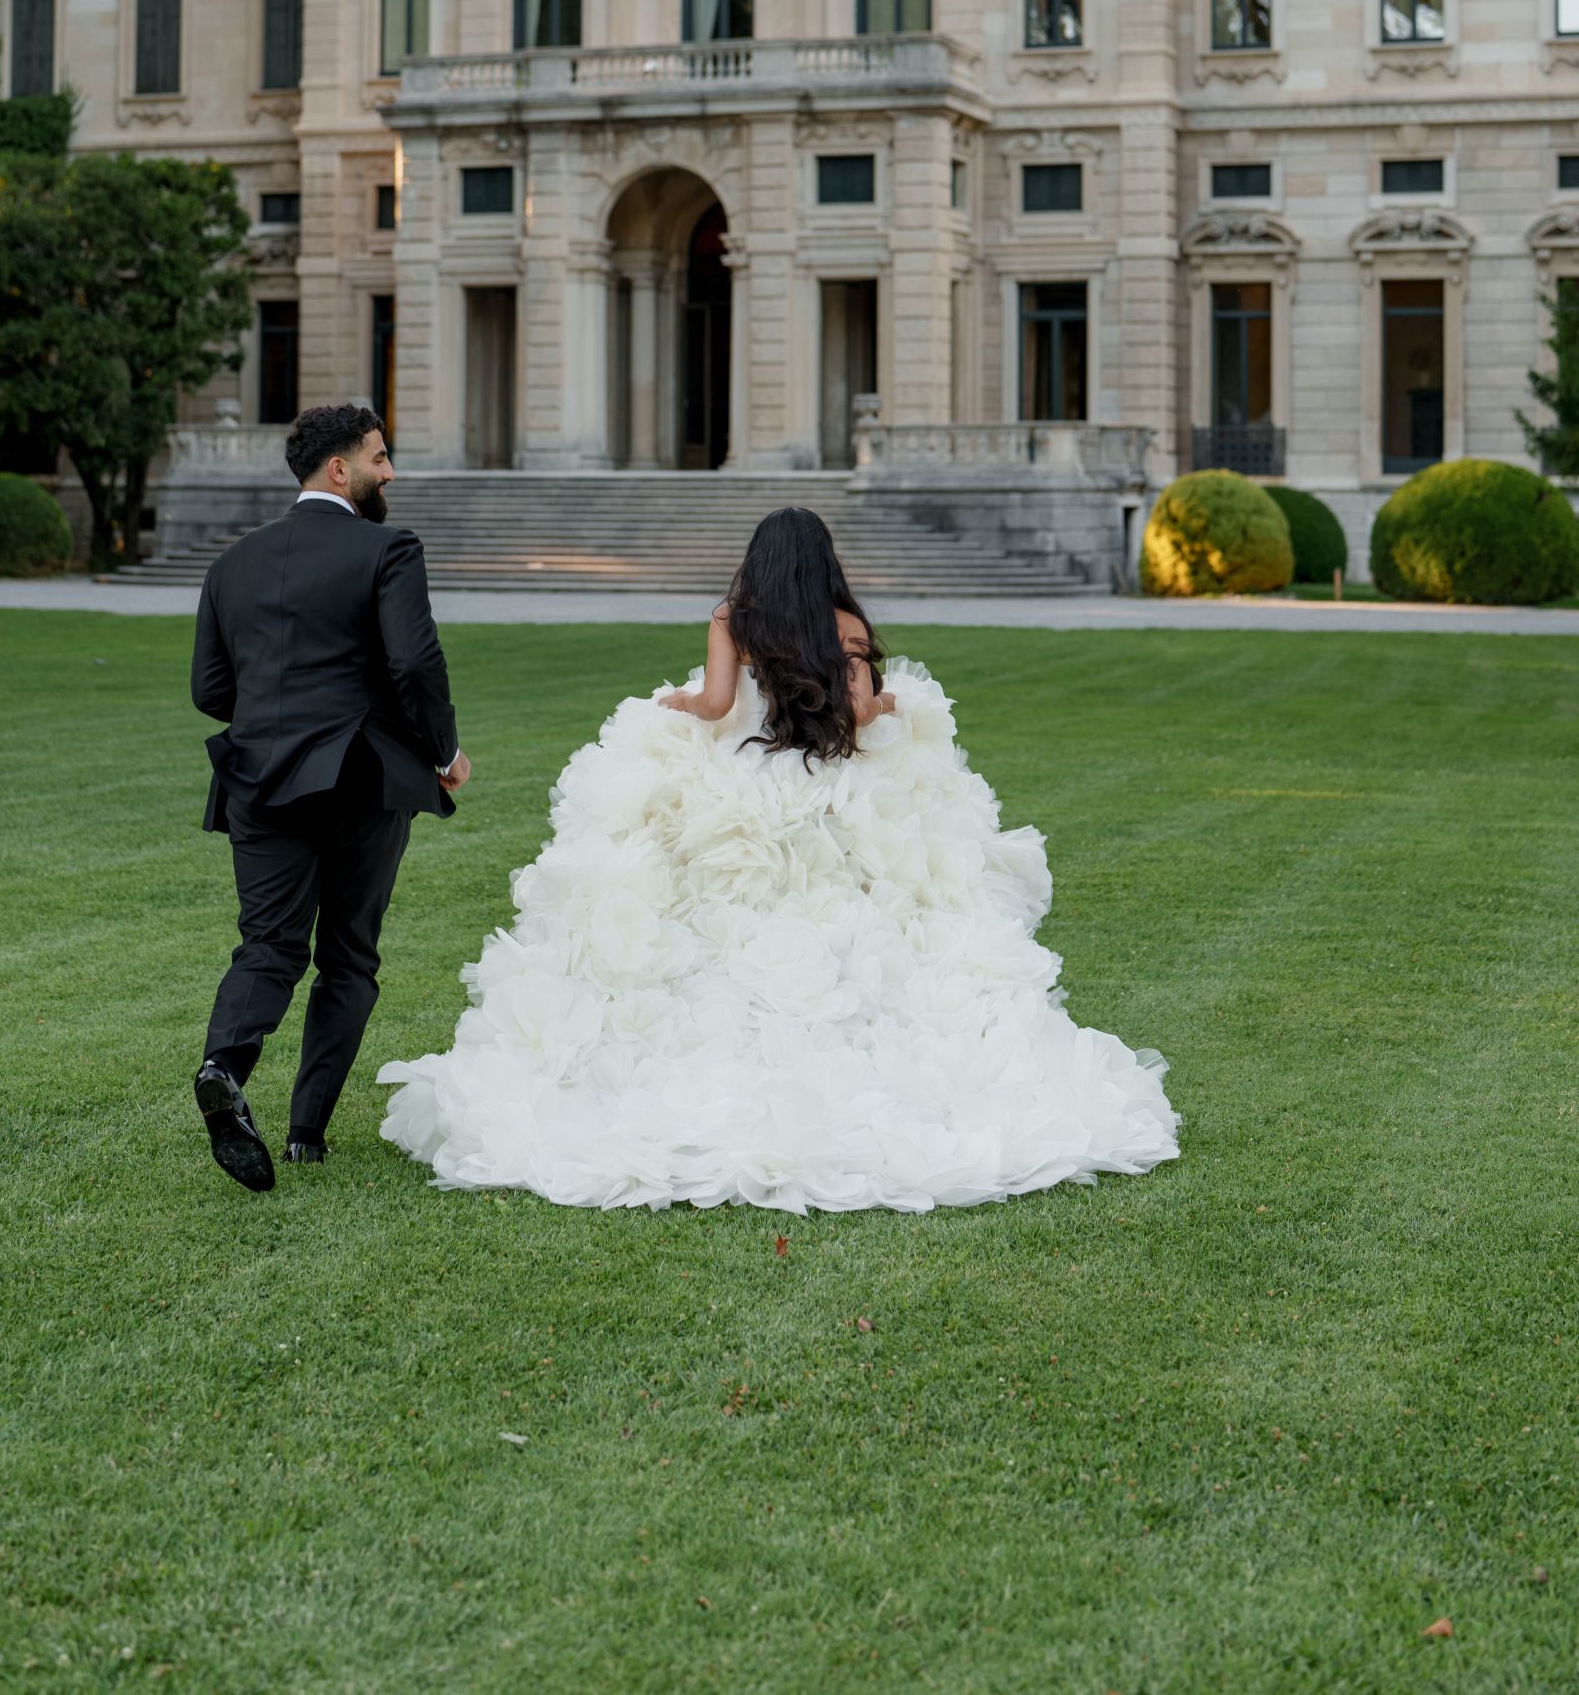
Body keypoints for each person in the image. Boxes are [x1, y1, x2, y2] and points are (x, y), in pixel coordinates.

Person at [378, 505, 1176, 1213]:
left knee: (721, 914)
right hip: (828, 790)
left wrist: (680, 703)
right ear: (823, 563)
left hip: (747, 788)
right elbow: (859, 716)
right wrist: (890, 701)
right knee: (851, 913)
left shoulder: (735, 615)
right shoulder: (845, 625)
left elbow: (719, 705)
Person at [190, 403, 468, 1190]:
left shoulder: (230, 564)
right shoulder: (389, 548)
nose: (391, 473)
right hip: (359, 778)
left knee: (269, 946)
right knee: (348, 955)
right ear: (339, 469)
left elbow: (211, 688)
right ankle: (306, 1131)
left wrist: (278, 713)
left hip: (257, 778)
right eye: (380, 458)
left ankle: (223, 1065)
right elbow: (414, 665)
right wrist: (443, 752)